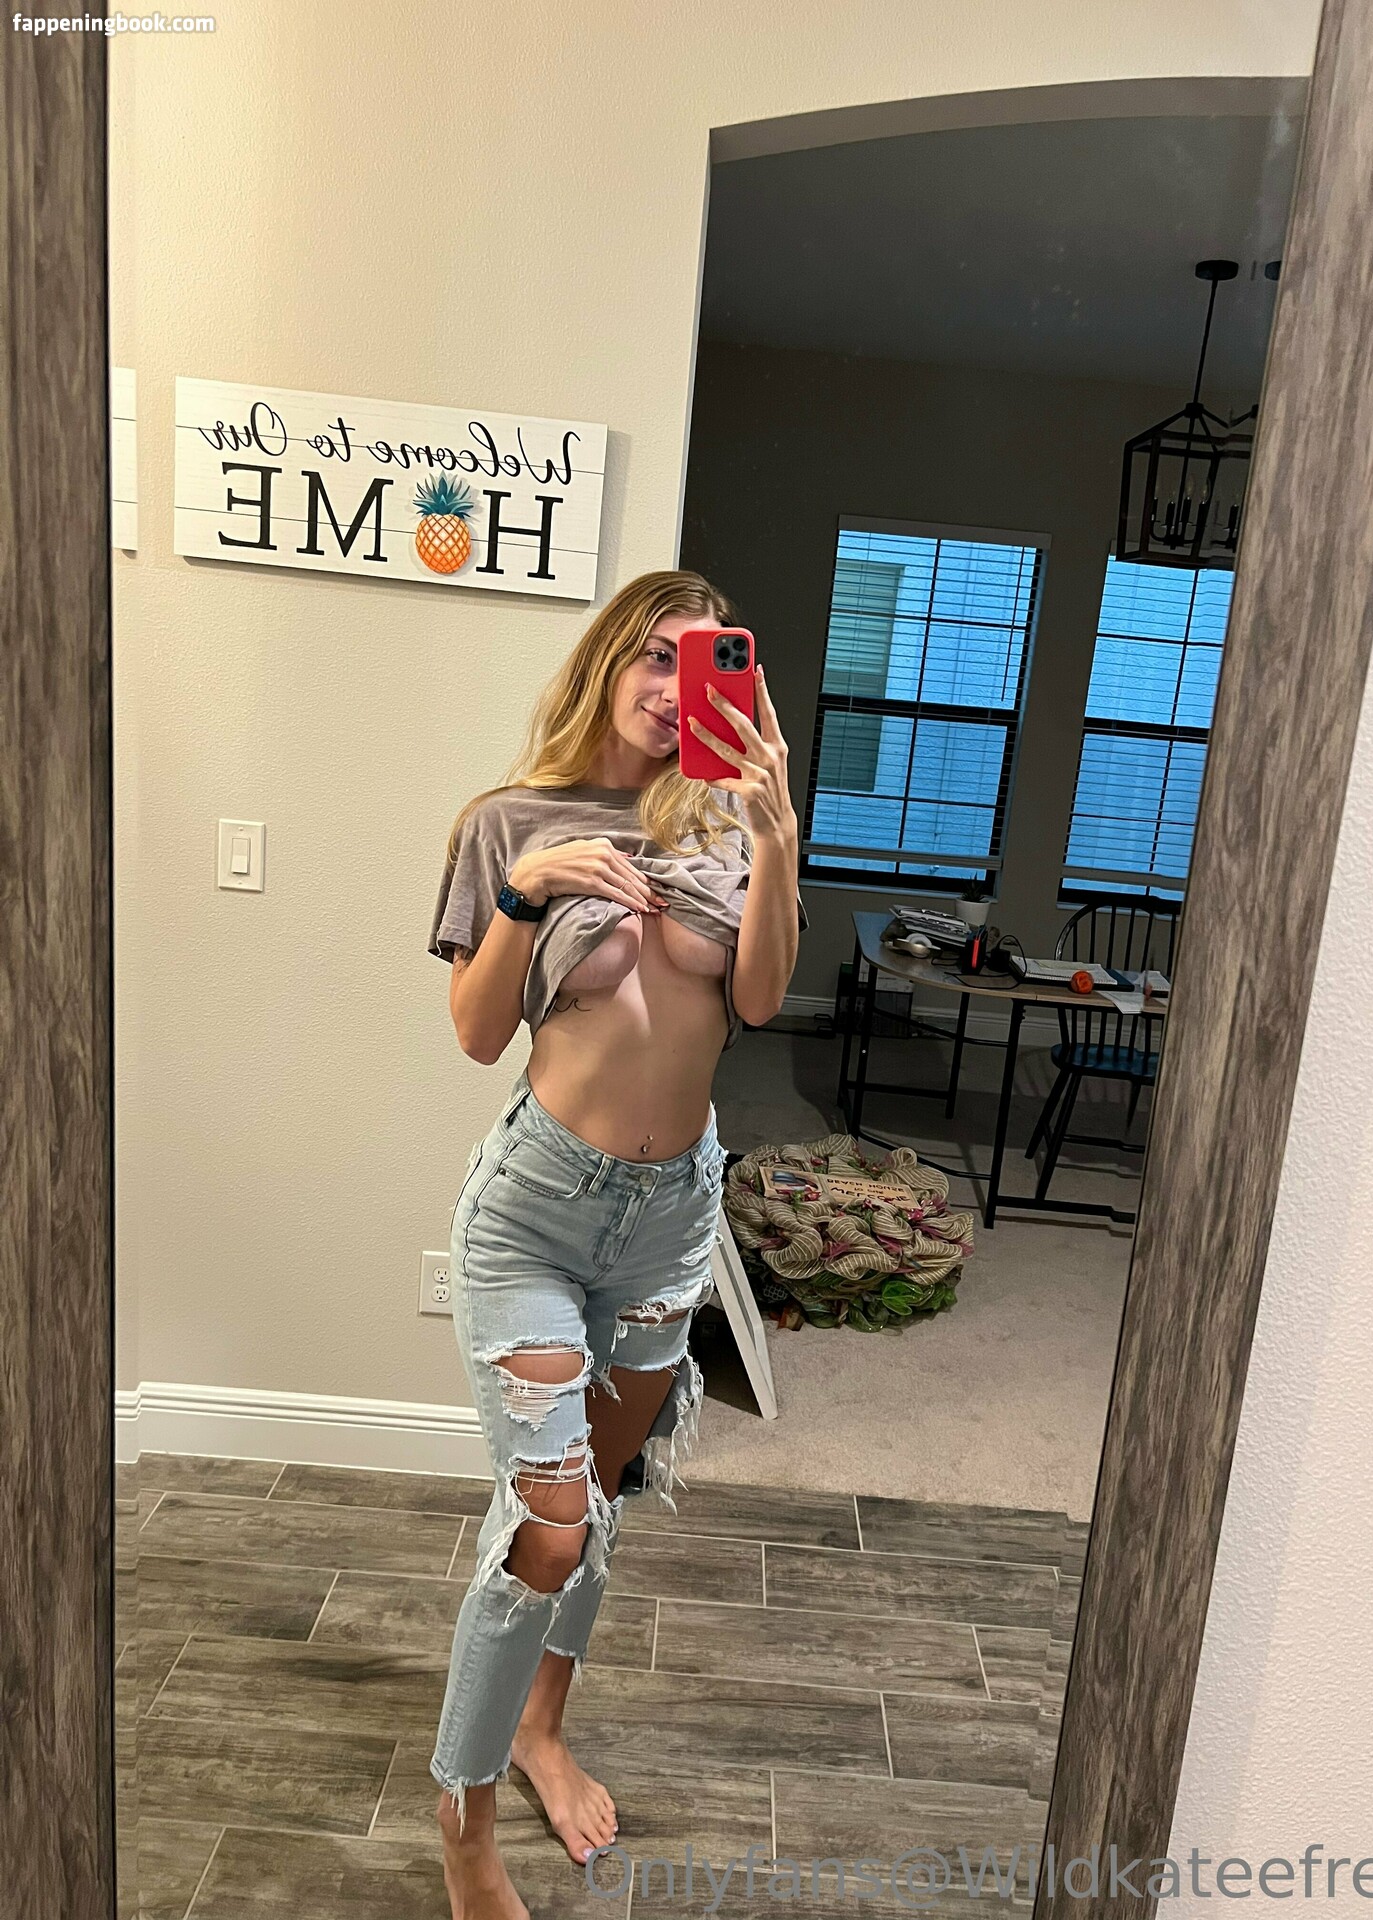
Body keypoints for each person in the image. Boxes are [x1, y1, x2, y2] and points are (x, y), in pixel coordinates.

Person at [423, 569, 805, 1920]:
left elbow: (761, 995)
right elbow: (478, 1036)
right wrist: (526, 898)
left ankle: (540, 1728)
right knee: (548, 1519)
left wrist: (779, 835)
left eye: (700, 663)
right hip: (537, 1211)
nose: (668, 686)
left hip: (670, 1220)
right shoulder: (507, 823)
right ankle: (464, 1824)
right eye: (652, 655)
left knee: (602, 1494)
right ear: (605, 663)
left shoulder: (726, 820)